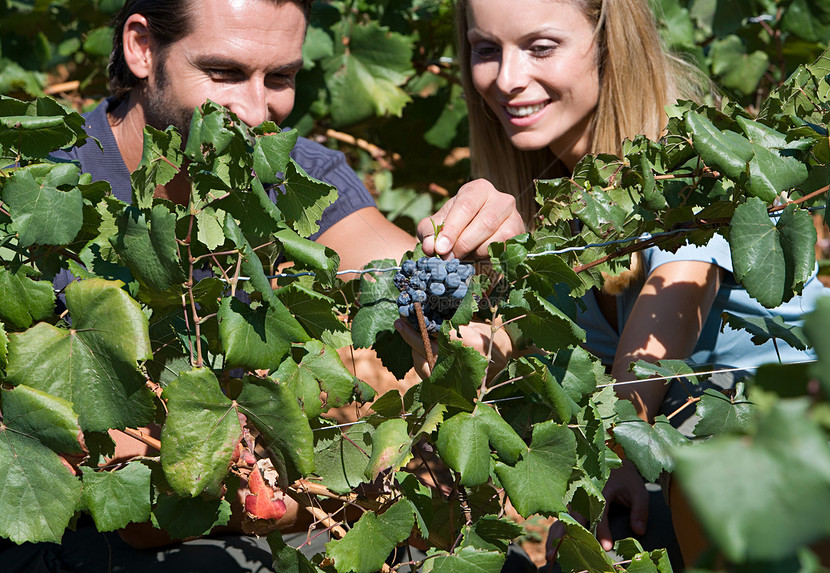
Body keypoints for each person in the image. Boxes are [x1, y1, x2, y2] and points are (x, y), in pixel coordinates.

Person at [1, 0, 527, 570]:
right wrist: (362, 497)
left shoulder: (298, 174)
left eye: (280, 78)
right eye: (224, 73)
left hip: (251, 510)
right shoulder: (34, 191)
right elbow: (141, 498)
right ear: (141, 48)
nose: (255, 112)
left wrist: (478, 262)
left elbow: (414, 284)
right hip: (65, 535)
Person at [397, 0, 830, 569]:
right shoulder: (547, 189)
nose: (508, 79)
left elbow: (678, 293)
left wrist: (620, 448)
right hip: (678, 443)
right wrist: (440, 322)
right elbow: (535, 358)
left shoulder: (686, 149)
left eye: (541, 47)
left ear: (609, 41)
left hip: (808, 422)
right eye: (486, 49)